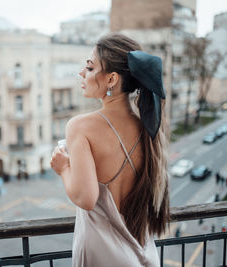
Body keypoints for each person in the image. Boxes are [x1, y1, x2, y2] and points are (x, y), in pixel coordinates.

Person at [50, 33, 170, 267]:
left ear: (112, 79)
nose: (81, 73)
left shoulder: (80, 126)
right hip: (142, 253)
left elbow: (86, 198)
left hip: (102, 255)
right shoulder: (146, 127)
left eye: (90, 67)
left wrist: (63, 168)